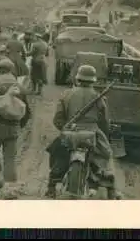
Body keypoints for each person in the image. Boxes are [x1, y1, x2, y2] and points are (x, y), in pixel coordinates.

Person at [44, 65, 121, 200]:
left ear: (78, 79)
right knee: (106, 155)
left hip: (70, 131)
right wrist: (104, 135)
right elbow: (104, 122)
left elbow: (57, 119)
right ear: (93, 80)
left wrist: (66, 128)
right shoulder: (98, 97)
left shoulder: (66, 94)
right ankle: (111, 189)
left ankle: (51, 186)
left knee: (58, 154)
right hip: (92, 131)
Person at [0, 58, 28, 199]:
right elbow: (27, 111)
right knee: (10, 157)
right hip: (13, 128)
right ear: (11, 70)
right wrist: (19, 126)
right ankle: (11, 187)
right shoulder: (19, 87)